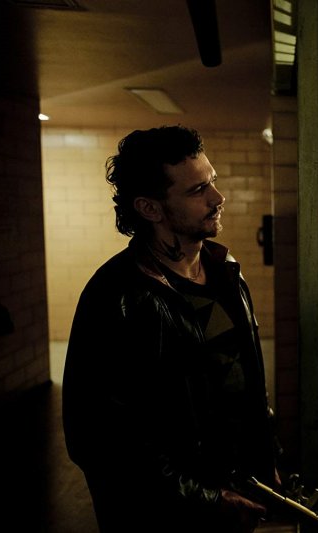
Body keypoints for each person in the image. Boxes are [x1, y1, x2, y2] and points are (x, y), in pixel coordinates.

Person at [62, 125, 281, 532]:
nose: (218, 198)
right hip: (168, 516)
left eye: (212, 181)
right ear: (150, 208)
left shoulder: (225, 271)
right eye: (198, 190)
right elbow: (98, 439)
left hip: (236, 496)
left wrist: (265, 460)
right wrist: (207, 500)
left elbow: (245, 381)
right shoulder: (115, 297)